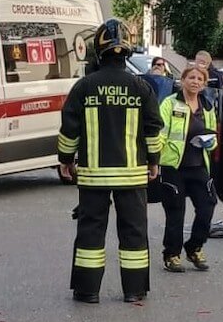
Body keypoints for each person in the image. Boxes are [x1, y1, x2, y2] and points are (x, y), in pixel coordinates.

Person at [58, 19, 164, 304]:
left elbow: (69, 129)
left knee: (91, 232)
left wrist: (65, 160)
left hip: (94, 177)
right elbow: (153, 129)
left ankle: (87, 290)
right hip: (132, 176)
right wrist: (154, 161)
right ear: (127, 50)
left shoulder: (84, 86)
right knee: (134, 232)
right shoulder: (141, 87)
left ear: (98, 50)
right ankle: (134, 290)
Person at [158, 65, 218, 273]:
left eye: (200, 79)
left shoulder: (207, 106)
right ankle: (172, 255)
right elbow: (160, 134)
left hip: (199, 166)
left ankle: (194, 247)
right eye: (191, 77)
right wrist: (154, 160)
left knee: (207, 207)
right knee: (175, 212)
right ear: (182, 81)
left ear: (204, 84)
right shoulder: (170, 103)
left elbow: (212, 134)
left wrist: (212, 143)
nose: (195, 81)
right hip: (173, 166)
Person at [194, 50, 223, 238]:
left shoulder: (215, 79)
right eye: (197, 61)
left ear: (208, 63)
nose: (199, 65)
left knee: (208, 197)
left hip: (207, 147)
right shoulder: (188, 84)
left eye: (202, 62)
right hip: (182, 157)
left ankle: (200, 234)